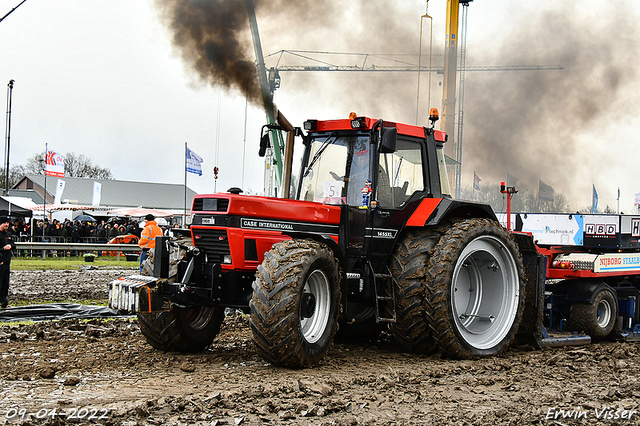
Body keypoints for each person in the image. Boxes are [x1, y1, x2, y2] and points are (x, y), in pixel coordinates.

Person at [0, 216, 16, 308]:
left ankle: (4, 301)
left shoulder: (8, 234)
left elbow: (14, 245)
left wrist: (10, 245)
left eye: (7, 223)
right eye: (4, 223)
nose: (6, 224)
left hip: (7, 262)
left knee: (5, 283)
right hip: (1, 262)